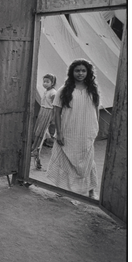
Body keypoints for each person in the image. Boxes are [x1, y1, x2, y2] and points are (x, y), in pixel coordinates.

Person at [46, 59, 100, 198]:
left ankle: (90, 190)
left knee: (88, 161)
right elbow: (57, 112)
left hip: (87, 132)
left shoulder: (93, 90)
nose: (80, 73)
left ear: (88, 73)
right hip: (69, 131)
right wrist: (59, 133)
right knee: (65, 160)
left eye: (83, 71)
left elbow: (96, 110)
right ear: (72, 72)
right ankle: (62, 189)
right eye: (77, 70)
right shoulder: (64, 90)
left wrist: (95, 129)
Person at [30, 73, 57, 170]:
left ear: (52, 83)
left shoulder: (53, 93)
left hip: (48, 112)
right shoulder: (46, 91)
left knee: (42, 132)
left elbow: (55, 106)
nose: (45, 84)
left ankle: (37, 149)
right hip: (42, 110)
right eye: (44, 81)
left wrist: (53, 118)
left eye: (47, 82)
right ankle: (34, 148)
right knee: (38, 130)